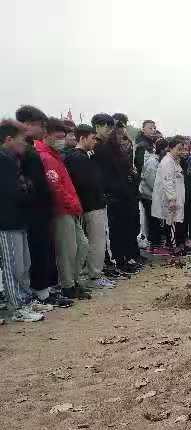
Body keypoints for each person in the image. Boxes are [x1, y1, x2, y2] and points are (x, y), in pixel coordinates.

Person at [15, 105, 71, 306]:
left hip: (42, 209)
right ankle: (40, 292)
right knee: (37, 251)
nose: (44, 130)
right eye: (41, 126)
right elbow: (25, 183)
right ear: (28, 125)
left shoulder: (30, 148)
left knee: (45, 250)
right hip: (32, 211)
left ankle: (45, 289)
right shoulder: (22, 151)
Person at [0, 119, 50, 322]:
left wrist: (27, 189)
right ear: (8, 139)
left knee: (24, 265)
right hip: (7, 222)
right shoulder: (3, 161)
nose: (24, 144)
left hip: (20, 220)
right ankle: (16, 307)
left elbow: (25, 188)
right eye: (21, 139)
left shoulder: (12, 160)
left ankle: (25, 300)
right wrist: (27, 190)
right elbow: (13, 192)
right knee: (13, 267)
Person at [36, 118, 90, 300]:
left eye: (63, 137)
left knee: (82, 245)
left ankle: (73, 280)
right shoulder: (45, 157)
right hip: (61, 210)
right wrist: (72, 204)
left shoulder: (55, 156)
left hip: (70, 208)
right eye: (58, 137)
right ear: (46, 135)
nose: (61, 140)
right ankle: (68, 285)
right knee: (67, 250)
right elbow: (56, 187)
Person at [64, 125, 116, 288]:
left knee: (89, 242)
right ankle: (94, 275)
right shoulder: (77, 158)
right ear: (82, 138)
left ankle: (89, 271)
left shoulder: (81, 156)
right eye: (93, 138)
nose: (95, 142)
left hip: (88, 205)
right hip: (91, 205)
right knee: (97, 241)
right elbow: (86, 184)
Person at [94, 115, 141, 273]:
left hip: (125, 194)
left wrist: (132, 176)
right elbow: (105, 175)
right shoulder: (102, 149)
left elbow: (126, 170)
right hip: (114, 196)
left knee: (127, 228)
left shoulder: (118, 150)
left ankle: (127, 257)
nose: (122, 138)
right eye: (119, 134)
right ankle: (119, 260)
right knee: (116, 230)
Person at [152, 137, 188, 254]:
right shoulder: (167, 162)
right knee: (172, 223)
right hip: (171, 199)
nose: (181, 152)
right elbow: (168, 182)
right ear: (171, 148)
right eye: (179, 149)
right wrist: (172, 199)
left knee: (175, 222)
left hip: (177, 198)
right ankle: (174, 247)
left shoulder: (175, 161)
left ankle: (177, 245)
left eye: (183, 149)